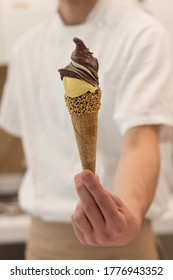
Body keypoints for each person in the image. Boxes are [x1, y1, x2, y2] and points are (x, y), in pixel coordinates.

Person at [0, 0, 173, 260]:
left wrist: (129, 216)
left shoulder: (143, 33)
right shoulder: (26, 47)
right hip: (42, 244)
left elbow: (140, 140)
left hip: (122, 246)